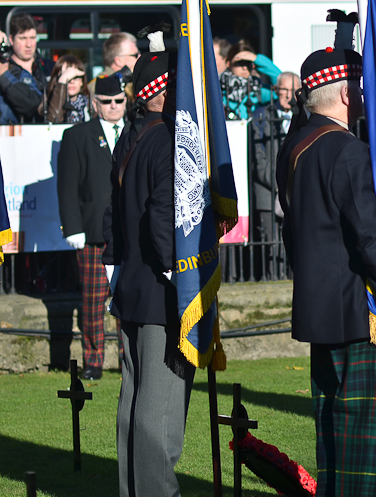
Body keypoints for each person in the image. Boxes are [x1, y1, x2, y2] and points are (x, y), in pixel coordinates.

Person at [276, 48, 376, 496]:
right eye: (359, 89)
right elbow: (369, 234)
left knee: (332, 435)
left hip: (320, 305)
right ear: (344, 92)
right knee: (364, 438)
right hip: (361, 310)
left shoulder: (295, 144)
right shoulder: (347, 150)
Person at [102, 29, 194, 497]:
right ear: (165, 93)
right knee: (158, 409)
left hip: (133, 289)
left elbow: (115, 218)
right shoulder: (165, 142)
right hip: (161, 293)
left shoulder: (134, 137)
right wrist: (180, 275)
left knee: (134, 402)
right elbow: (163, 219)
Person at [57, 74, 127, 380]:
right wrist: (72, 227)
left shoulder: (138, 130)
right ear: (95, 104)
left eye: (119, 101)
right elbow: (67, 186)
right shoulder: (77, 136)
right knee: (93, 300)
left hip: (130, 235)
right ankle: (93, 361)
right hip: (93, 233)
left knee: (130, 298)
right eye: (107, 101)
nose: (114, 106)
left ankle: (130, 358)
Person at [250, 71, 300, 277]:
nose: (288, 96)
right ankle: (273, 279)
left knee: (297, 243)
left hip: (297, 192)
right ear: (276, 91)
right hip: (268, 191)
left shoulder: (304, 117)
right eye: (284, 90)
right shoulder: (261, 116)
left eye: (292, 90)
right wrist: (280, 181)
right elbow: (258, 158)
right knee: (271, 245)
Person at [0, 14, 50, 124]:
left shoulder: (47, 67)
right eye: (23, 38)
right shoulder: (4, 67)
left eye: (32, 38)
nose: (29, 44)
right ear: (11, 40)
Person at [220, 41, 280, 120]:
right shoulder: (219, 86)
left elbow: (282, 84)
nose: (245, 67)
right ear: (228, 64)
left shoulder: (256, 89)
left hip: (252, 132)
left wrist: (256, 58)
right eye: (240, 63)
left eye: (248, 63)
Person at [87, 32, 139, 110]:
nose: (140, 57)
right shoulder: (97, 84)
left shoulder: (133, 80)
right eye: (135, 55)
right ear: (118, 60)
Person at [43, 54, 90, 124]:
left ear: (82, 82)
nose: (71, 81)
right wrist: (63, 80)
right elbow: (54, 121)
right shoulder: (47, 103)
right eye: (67, 76)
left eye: (75, 77)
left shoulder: (90, 104)